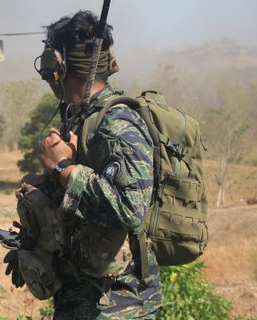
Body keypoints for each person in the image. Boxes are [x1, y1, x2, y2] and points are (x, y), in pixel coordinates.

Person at [35, 10, 162, 319]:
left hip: (118, 306)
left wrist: (64, 168)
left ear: (60, 65)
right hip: (82, 297)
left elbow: (130, 208)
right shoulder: (83, 120)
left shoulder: (118, 124)